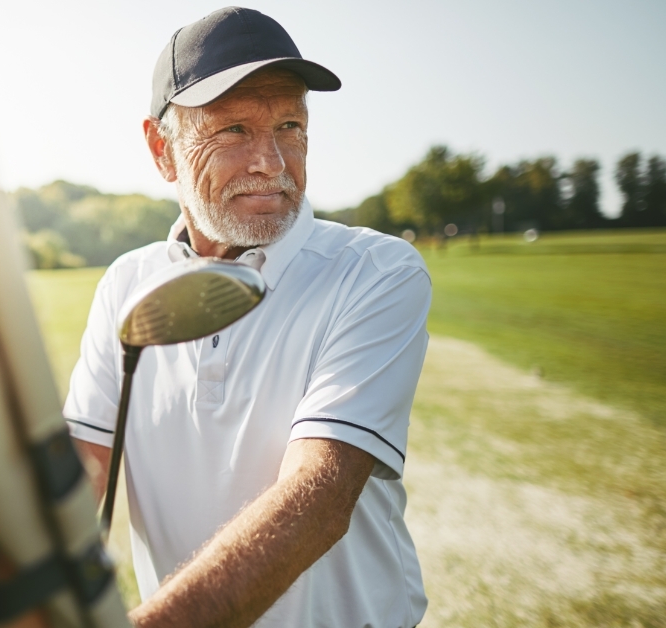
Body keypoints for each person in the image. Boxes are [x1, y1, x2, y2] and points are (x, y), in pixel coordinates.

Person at [65, 7, 430, 627]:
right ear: (163, 150)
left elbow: (316, 501)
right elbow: (81, 471)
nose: (272, 162)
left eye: (290, 125)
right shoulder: (127, 281)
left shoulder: (376, 271)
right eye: (233, 129)